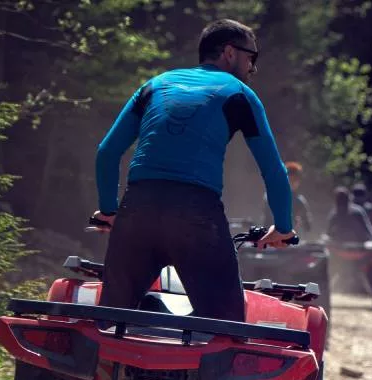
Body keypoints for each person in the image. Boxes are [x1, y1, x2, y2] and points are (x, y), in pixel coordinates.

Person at [92, 19, 294, 322]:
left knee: (107, 321)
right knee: (225, 327)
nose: (253, 68)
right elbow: (274, 170)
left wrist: (109, 210)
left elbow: (107, 152)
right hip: (195, 213)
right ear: (229, 53)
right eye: (251, 57)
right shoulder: (239, 93)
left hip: (137, 207)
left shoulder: (155, 85)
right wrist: (283, 227)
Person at [263, 161, 313, 235]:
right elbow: (269, 220)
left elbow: (308, 227)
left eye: (295, 180)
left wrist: (300, 222)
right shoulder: (270, 197)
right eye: (290, 179)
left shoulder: (300, 201)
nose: (292, 183)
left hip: (290, 238)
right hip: (271, 236)